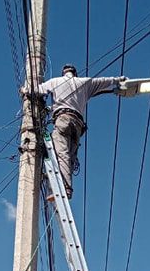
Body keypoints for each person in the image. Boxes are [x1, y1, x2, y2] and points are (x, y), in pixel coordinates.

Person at [25, 64, 125, 198]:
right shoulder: (84, 83)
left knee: (61, 154)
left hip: (63, 119)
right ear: (75, 73)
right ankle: (67, 187)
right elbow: (104, 81)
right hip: (78, 125)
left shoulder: (56, 81)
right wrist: (118, 79)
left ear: (63, 73)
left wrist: (24, 90)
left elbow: (37, 90)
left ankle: (64, 188)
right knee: (70, 157)